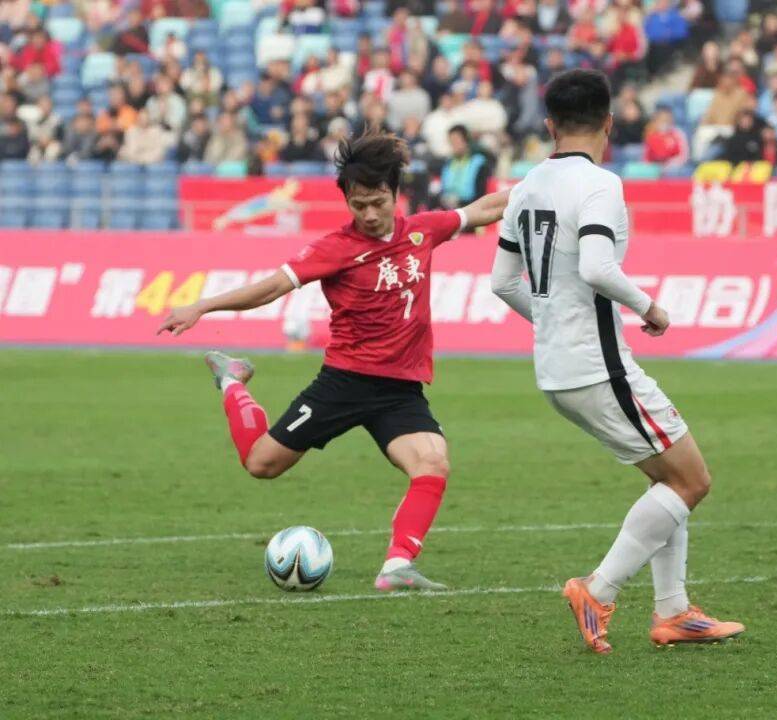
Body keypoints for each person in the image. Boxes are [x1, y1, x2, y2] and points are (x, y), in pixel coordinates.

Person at [157, 131, 509, 592]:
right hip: (345, 382)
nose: (369, 214)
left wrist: (553, 181)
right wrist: (203, 306)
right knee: (261, 463)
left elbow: (483, 208)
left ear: (395, 193)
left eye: (378, 202)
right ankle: (232, 379)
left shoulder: (423, 230)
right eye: (358, 205)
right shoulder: (335, 248)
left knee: (433, 463)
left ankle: (397, 566)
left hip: (400, 390)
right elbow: (271, 287)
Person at [489, 69, 744, 654]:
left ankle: (674, 611)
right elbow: (597, 267)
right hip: (597, 365)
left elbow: (502, 282)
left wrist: (553, 320)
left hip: (557, 368)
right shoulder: (600, 184)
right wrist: (650, 307)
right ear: (609, 122)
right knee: (692, 480)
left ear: (549, 125)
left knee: (667, 479)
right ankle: (598, 590)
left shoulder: (524, 188)